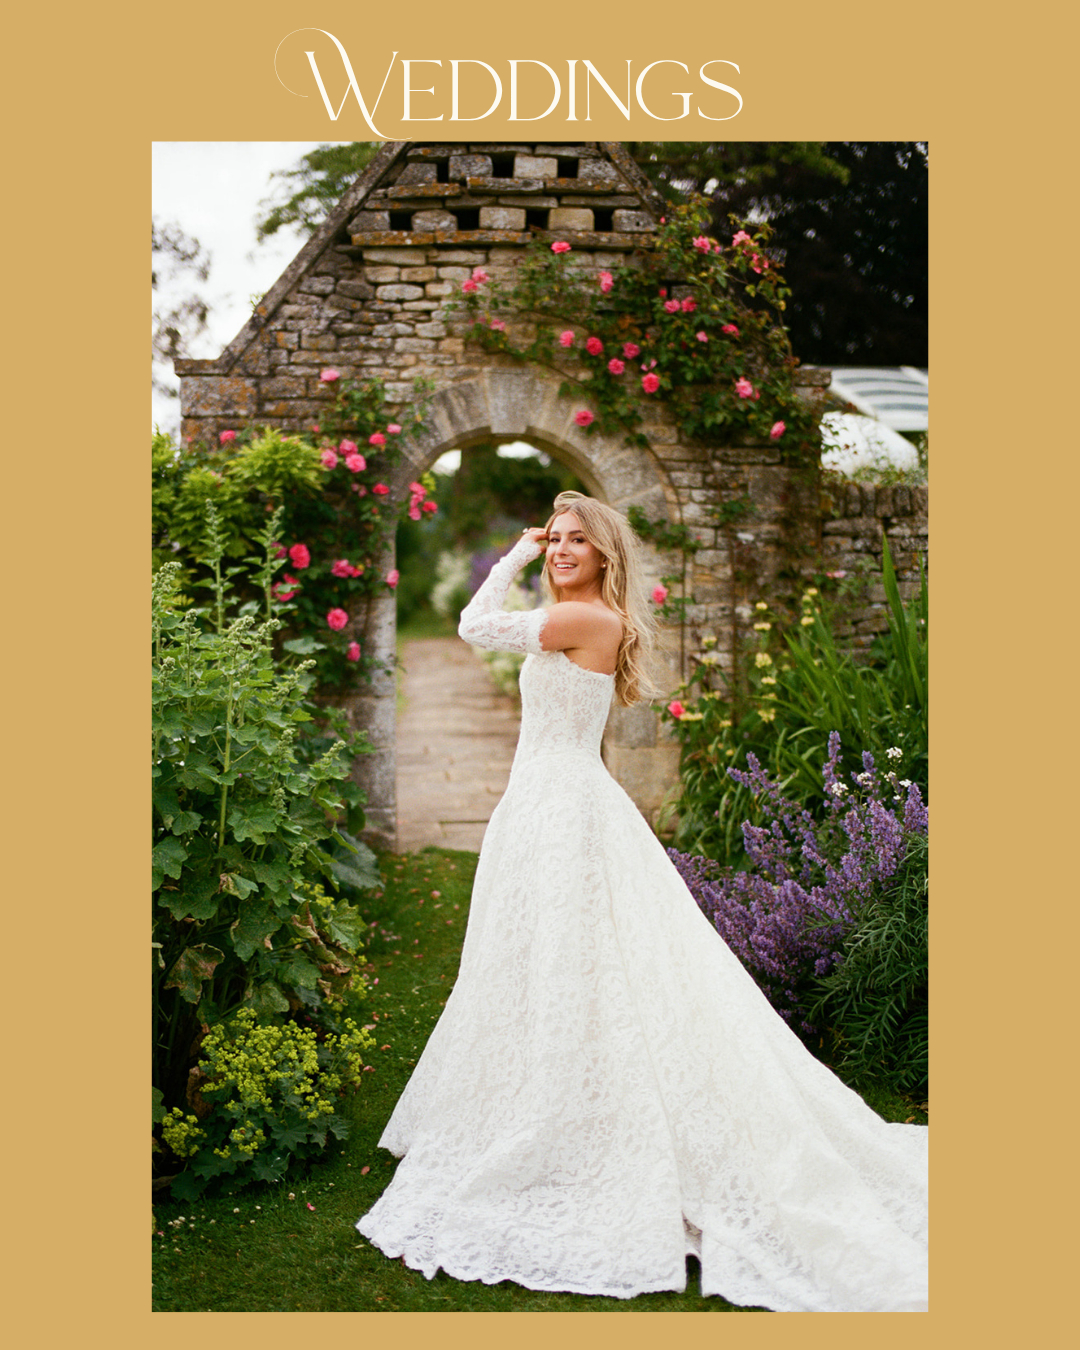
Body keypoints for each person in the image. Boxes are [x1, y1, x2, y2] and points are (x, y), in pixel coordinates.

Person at [356, 491, 928, 1311]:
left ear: (603, 554)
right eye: (554, 539)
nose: (560, 550)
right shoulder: (591, 617)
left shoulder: (585, 619)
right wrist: (536, 553)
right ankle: (538, 1091)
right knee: (551, 953)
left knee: (574, 953)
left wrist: (515, 554)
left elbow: (473, 624)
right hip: (548, 798)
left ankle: (570, 1113)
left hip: (563, 804)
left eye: (573, 541)